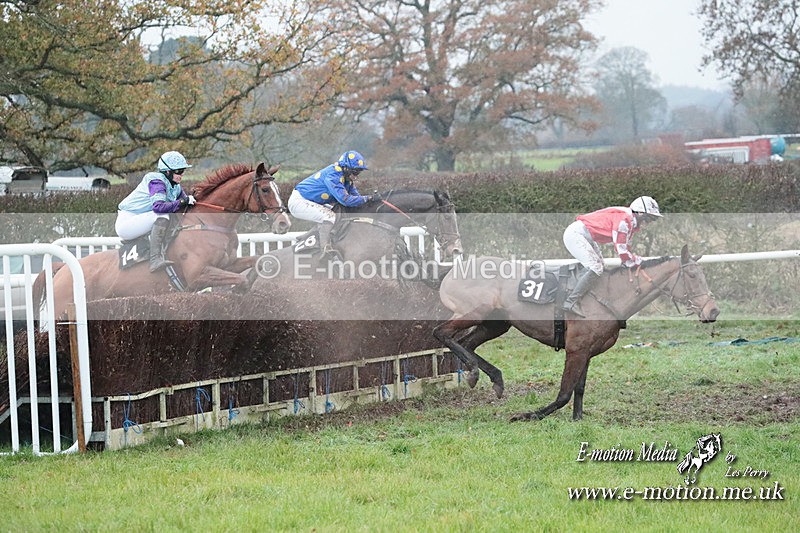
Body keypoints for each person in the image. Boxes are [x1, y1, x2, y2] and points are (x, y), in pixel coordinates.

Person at [561, 196, 663, 317]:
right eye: (649, 217)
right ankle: (571, 301)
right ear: (640, 213)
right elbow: (622, 251)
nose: (650, 221)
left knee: (600, 266)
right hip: (576, 234)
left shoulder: (631, 222)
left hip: (585, 235)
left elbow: (626, 249)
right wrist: (636, 261)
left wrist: (632, 260)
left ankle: (585, 296)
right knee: (595, 267)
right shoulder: (625, 220)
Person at [115, 151, 196, 272]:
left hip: (142, 220)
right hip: (127, 223)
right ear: (167, 172)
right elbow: (158, 207)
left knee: (172, 216)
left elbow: (184, 205)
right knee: (163, 215)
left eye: (183, 171)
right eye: (178, 171)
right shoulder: (156, 182)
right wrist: (184, 201)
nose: (181, 175)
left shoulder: (175, 186)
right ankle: (155, 259)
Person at [288, 150, 374, 256]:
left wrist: (371, 201)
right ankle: (325, 250)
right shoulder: (333, 175)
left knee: (338, 216)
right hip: (299, 201)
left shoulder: (347, 179)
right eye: (355, 171)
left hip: (310, 201)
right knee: (330, 217)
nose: (356, 175)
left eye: (359, 172)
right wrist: (367, 199)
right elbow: (345, 200)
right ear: (346, 168)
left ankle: (306, 239)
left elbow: (357, 199)